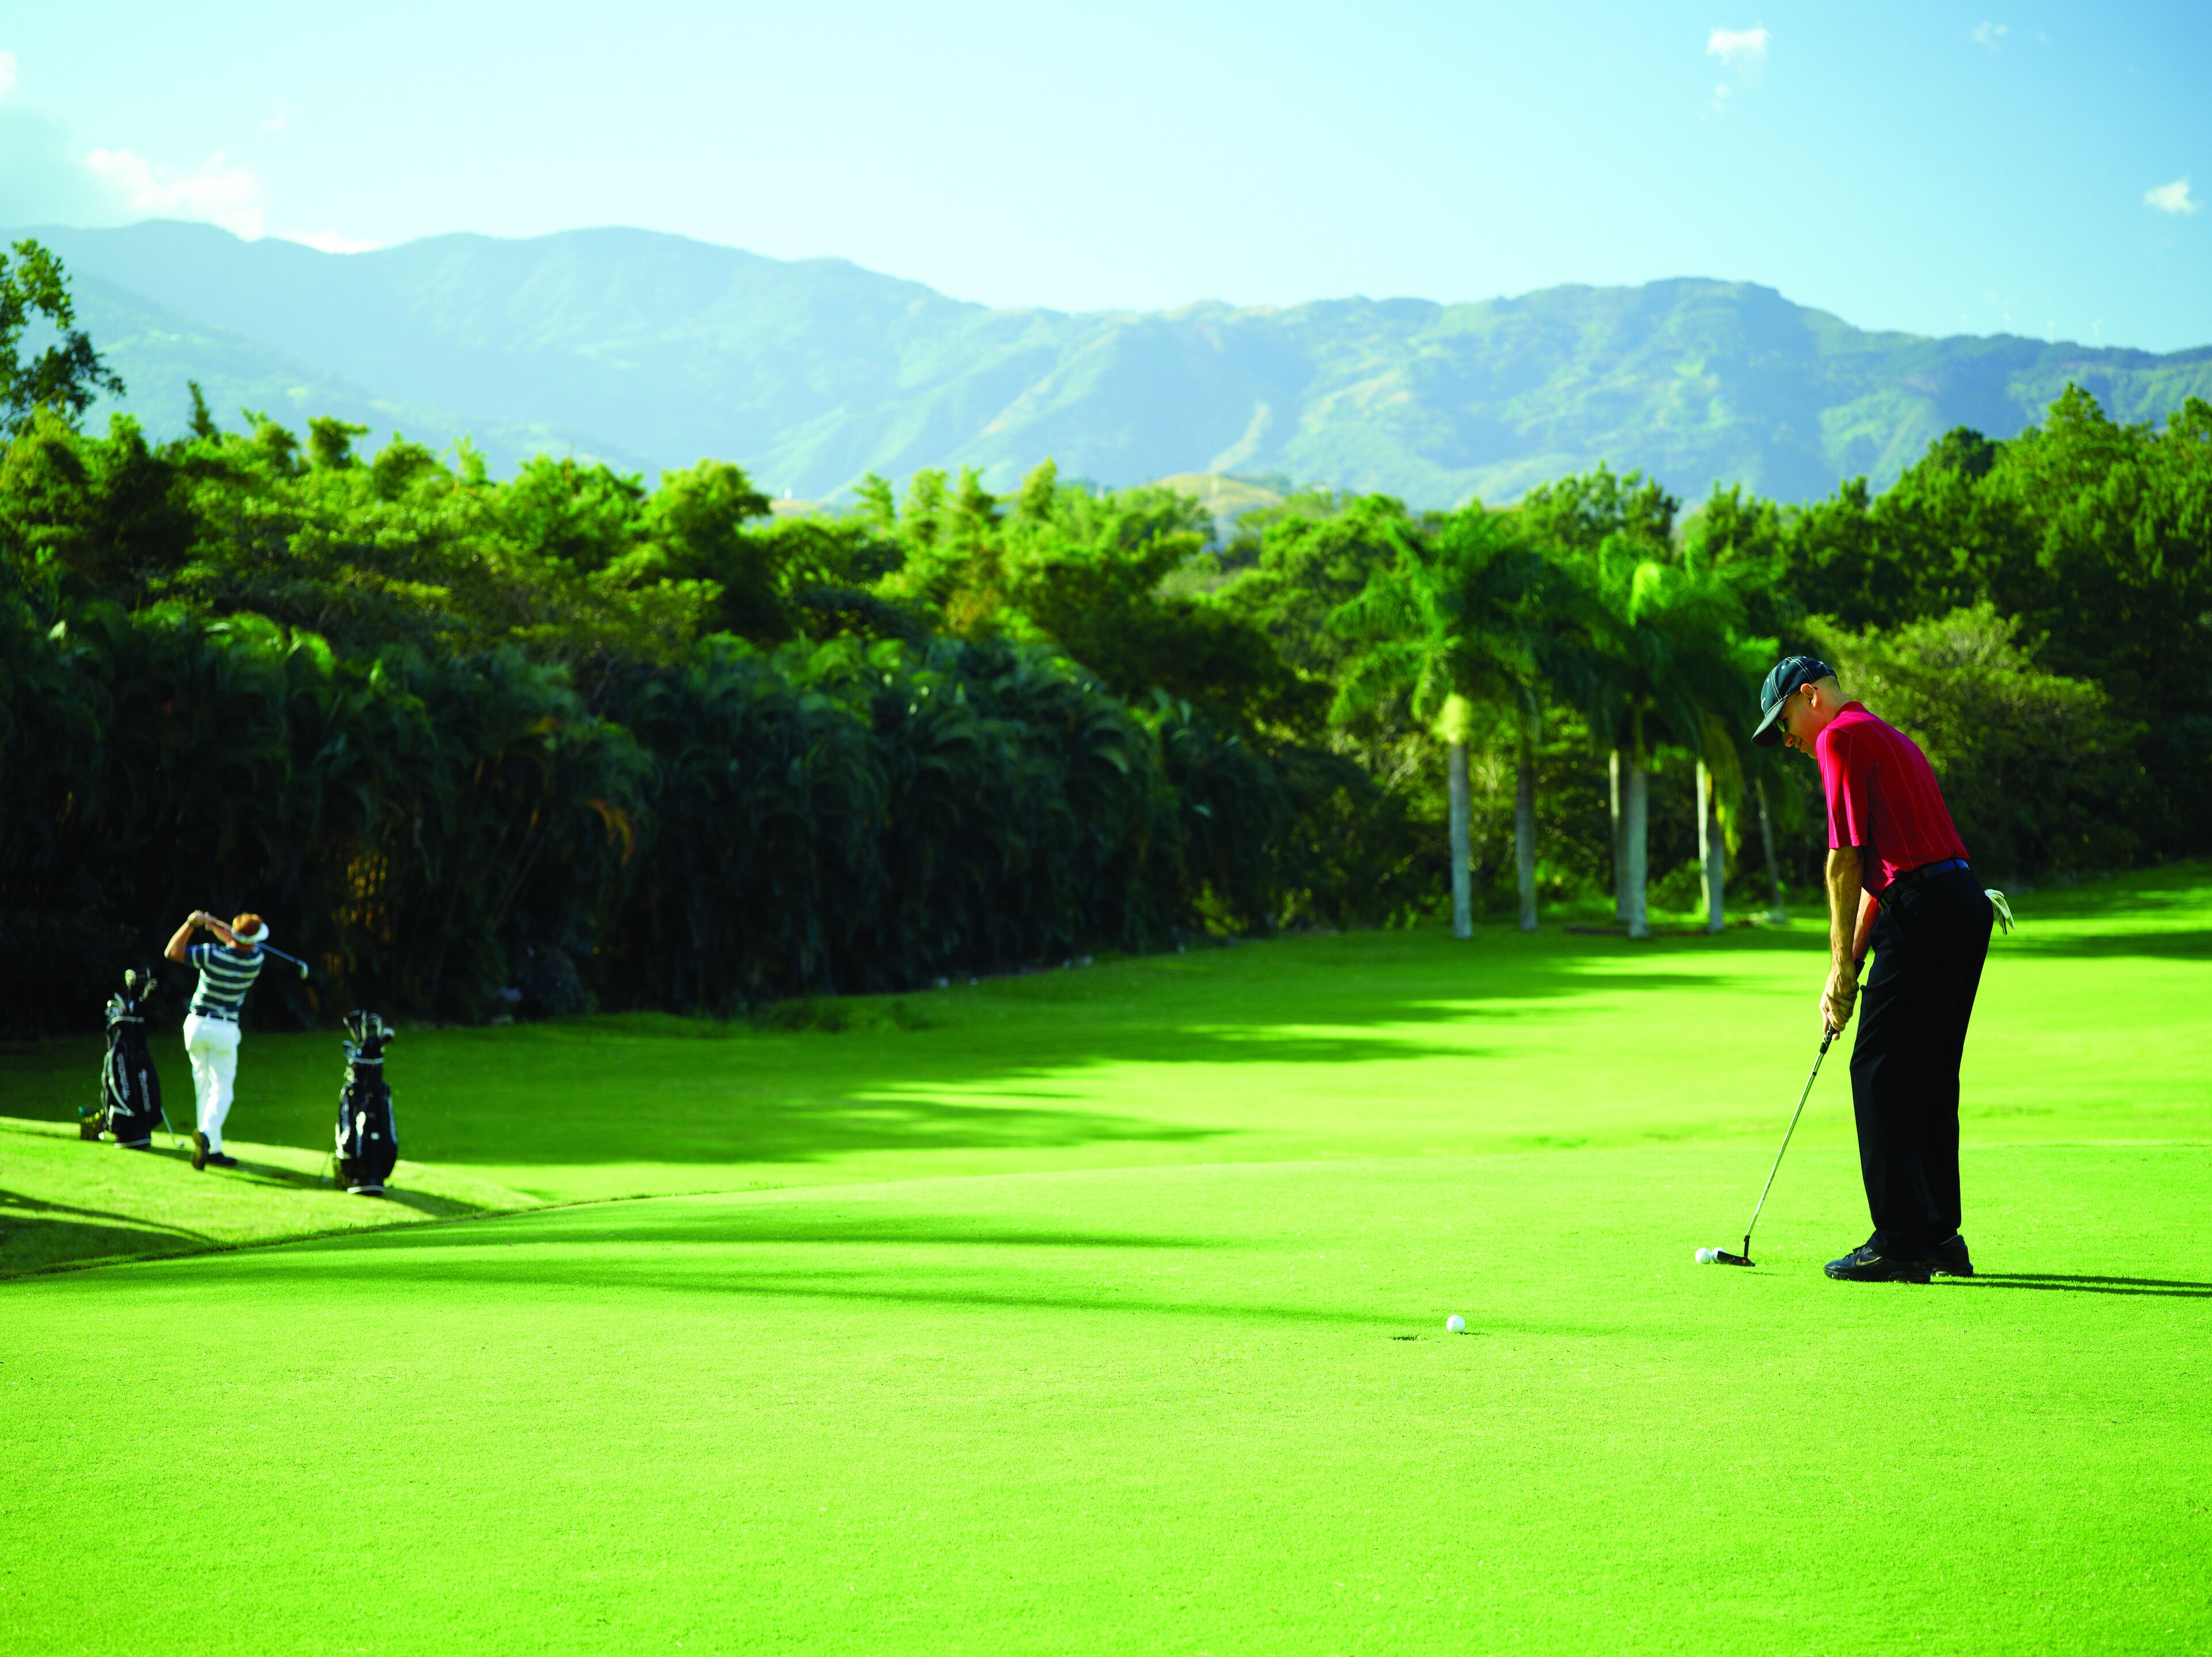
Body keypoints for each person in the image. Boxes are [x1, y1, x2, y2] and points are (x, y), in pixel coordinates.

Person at [1752, 656, 1994, 1284]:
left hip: (1924, 909)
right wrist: (1849, 967)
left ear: (1810, 697)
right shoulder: (1885, 735)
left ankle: (1899, 1241)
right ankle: (1940, 1234)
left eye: (1785, 723)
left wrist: (1836, 970)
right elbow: (1879, 881)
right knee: (1931, 1075)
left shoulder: (1839, 737)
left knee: (1879, 1068)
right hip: (1962, 904)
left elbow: (1845, 862)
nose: (1788, 740)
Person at [163, 909, 270, 1171]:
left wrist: (192, 924)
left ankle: (212, 1149)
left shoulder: (211, 954)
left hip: (197, 1026)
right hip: (223, 1029)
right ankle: (208, 1136)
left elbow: (172, 952)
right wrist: (218, 928)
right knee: (222, 1090)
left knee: (205, 1088)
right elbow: (239, 945)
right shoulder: (256, 960)